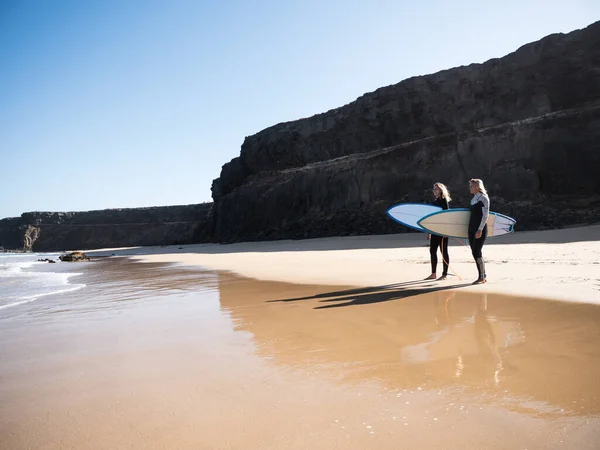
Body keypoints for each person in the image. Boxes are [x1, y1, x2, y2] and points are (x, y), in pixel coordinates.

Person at [425, 182, 451, 281]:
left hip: (443, 230)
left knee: (444, 252)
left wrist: (446, 231)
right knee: (432, 251)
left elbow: (447, 216)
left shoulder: (444, 201)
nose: (434, 191)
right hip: (435, 230)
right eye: (434, 189)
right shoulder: (434, 202)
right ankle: (433, 273)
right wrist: (428, 232)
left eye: (436, 189)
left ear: (441, 190)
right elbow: (431, 218)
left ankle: (444, 274)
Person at [468, 178, 490, 284]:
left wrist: (480, 229)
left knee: (477, 251)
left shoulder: (484, 198)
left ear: (477, 186)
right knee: (474, 252)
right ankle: (482, 274)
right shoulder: (473, 199)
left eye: (471, 186)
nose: (470, 188)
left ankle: (482, 276)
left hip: (479, 229)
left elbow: (485, 216)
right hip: (471, 229)